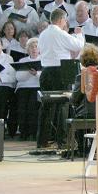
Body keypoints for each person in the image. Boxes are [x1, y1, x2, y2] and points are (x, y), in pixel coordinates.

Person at [37, 8, 85, 147]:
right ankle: (62, 141)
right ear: (60, 20)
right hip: (61, 71)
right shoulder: (60, 33)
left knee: (46, 106)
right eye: (65, 20)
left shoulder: (43, 34)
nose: (65, 22)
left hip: (46, 71)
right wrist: (79, 34)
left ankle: (42, 141)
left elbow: (40, 50)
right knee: (63, 106)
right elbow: (78, 45)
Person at [14, 37, 41, 141]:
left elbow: (44, 78)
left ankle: (33, 132)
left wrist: (36, 74)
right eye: (31, 47)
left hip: (37, 87)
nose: (34, 49)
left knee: (32, 107)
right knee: (22, 107)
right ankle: (23, 132)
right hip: (23, 88)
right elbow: (18, 77)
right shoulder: (23, 61)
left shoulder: (43, 60)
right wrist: (28, 73)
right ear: (27, 49)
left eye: (36, 47)